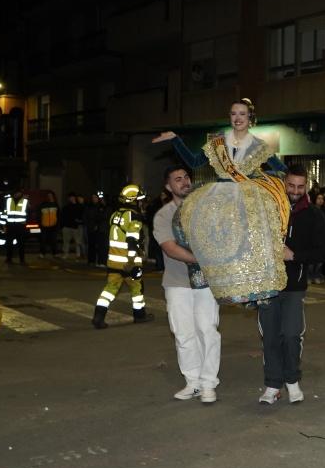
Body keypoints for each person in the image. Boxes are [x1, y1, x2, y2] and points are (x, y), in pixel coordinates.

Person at [153, 98, 289, 304]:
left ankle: (256, 287)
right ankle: (203, 272)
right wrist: (175, 139)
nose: (237, 118)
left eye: (242, 114)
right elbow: (194, 162)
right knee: (192, 222)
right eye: (234, 114)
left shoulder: (260, 146)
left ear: (250, 117)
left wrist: (263, 179)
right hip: (218, 195)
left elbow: (282, 171)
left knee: (257, 230)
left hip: (248, 197)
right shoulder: (217, 142)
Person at [257, 165, 325, 405]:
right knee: (270, 338)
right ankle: (272, 385)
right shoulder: (266, 210)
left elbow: (323, 252)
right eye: (291, 185)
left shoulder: (314, 214)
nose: (295, 191)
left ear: (306, 186)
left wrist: (294, 256)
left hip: (294, 286)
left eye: (300, 186)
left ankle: (291, 380)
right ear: (283, 184)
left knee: (290, 335)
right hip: (267, 285)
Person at [154, 166, 221, 404]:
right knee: (183, 334)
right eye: (177, 179)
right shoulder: (163, 215)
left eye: (186, 178)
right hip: (177, 283)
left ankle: (208, 384)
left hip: (205, 283)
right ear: (168, 186)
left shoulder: (205, 211)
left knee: (207, 330)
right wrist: (199, 259)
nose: (184, 182)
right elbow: (170, 248)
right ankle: (192, 382)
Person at [91, 184, 154, 329]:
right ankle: (140, 316)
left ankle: (98, 317)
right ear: (133, 201)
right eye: (140, 200)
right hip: (128, 262)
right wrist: (132, 260)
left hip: (113, 261)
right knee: (137, 288)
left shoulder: (115, 214)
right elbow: (131, 240)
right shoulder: (134, 217)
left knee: (110, 289)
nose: (142, 203)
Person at [3, 187, 29, 264]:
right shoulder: (8, 201)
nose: (18, 194)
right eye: (17, 192)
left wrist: (26, 222)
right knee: (9, 244)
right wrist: (4, 225)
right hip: (10, 225)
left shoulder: (25, 201)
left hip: (20, 226)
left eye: (19, 192)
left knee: (21, 244)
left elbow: (28, 213)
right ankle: (9, 259)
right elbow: (5, 213)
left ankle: (22, 260)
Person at [61, 194, 83, 258]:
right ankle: (65, 253)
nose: (71, 199)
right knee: (66, 241)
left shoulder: (79, 206)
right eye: (70, 198)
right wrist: (63, 225)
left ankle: (78, 254)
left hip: (75, 227)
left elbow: (82, 215)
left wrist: (79, 221)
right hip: (67, 226)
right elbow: (62, 216)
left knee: (77, 241)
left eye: (73, 197)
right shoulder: (66, 207)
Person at [38, 192, 60, 257]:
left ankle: (55, 253)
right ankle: (42, 253)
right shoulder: (42, 205)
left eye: (51, 195)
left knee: (53, 240)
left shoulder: (56, 205)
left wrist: (57, 224)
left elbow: (58, 215)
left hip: (54, 226)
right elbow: (39, 215)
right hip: (44, 225)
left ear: (53, 196)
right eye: (48, 196)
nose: (50, 197)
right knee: (43, 241)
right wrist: (40, 224)